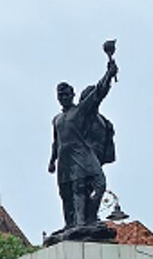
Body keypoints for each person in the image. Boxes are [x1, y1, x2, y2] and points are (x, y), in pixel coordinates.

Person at [48, 54, 118, 235]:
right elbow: (56, 141)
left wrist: (109, 75)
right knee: (67, 193)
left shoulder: (80, 112)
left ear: (72, 95)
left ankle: (88, 218)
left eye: (65, 94)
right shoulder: (57, 119)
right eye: (60, 95)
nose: (63, 97)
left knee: (99, 184)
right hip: (65, 160)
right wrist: (52, 160)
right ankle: (74, 223)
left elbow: (98, 94)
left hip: (83, 155)